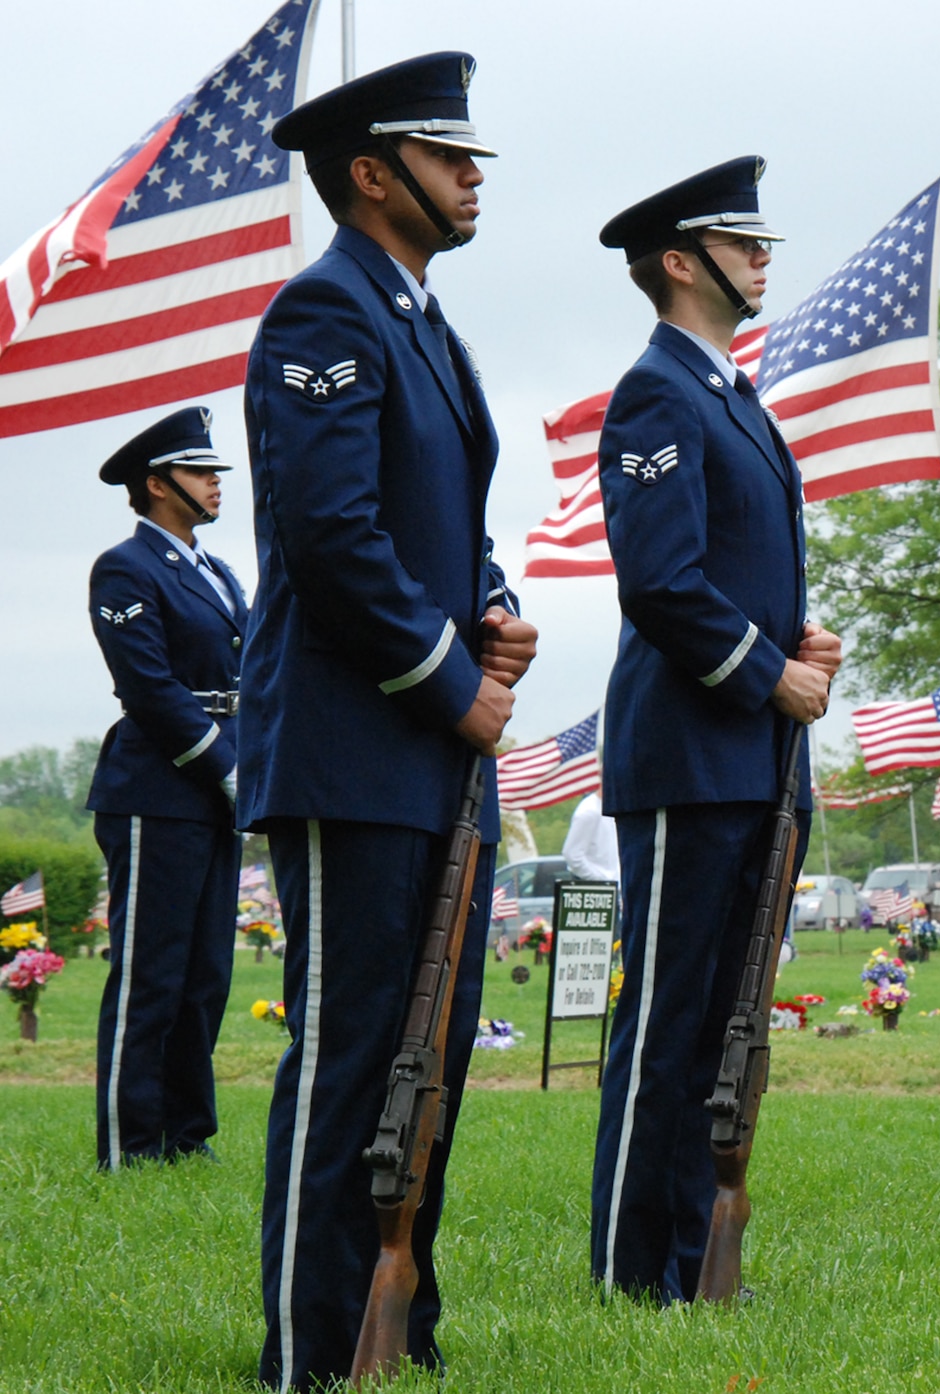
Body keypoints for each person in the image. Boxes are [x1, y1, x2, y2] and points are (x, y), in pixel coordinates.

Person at [240, 53, 536, 1389]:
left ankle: (394, 1320)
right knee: (354, 1050)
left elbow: (438, 532)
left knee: (434, 1049)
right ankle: (311, 1349)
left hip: (431, 748)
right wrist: (448, 674)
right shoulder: (325, 313)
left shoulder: (420, 322)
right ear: (375, 171)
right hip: (354, 745)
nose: (476, 173)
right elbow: (333, 538)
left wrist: (495, 607)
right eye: (451, 153)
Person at [590, 155, 841, 1304]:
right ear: (682, 261)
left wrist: (802, 651)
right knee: (673, 1016)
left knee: (728, 1013)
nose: (763, 255)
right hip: (694, 751)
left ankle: (696, 1250)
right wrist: (767, 676)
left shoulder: (733, 397)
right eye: (742, 242)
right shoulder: (658, 393)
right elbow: (663, 583)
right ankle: (637, 1263)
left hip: (752, 750)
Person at [85, 406, 247, 1171]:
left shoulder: (217, 572)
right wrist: (229, 766)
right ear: (156, 483)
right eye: (202, 472)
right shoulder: (126, 567)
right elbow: (149, 686)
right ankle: (129, 1143)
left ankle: (187, 1136)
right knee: (151, 972)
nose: (217, 484)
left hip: (215, 787)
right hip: (157, 786)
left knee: (205, 974)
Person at [563, 792, 620, 885]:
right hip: (597, 889)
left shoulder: (613, 807)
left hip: (616, 886)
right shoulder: (589, 811)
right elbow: (572, 855)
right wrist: (603, 880)